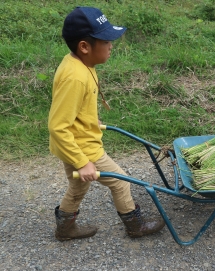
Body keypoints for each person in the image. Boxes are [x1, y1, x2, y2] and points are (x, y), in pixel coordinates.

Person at [48, 6, 165, 241]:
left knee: (78, 187)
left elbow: (73, 110)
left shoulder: (79, 64)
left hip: (74, 144)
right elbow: (58, 125)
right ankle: (135, 226)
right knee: (121, 182)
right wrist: (83, 162)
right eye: (106, 41)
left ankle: (65, 228)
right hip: (82, 148)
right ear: (84, 46)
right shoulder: (76, 77)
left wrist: (89, 119)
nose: (111, 45)